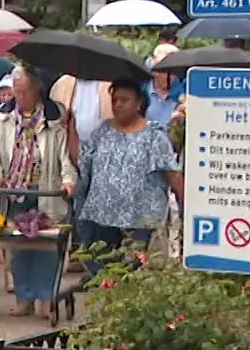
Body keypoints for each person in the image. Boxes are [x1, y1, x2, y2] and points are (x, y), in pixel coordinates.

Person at [0, 66, 76, 317]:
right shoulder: (3, 119)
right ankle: (24, 297)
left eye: (24, 92)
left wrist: (68, 181)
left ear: (37, 90)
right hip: (15, 190)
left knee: (45, 246)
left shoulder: (54, 120)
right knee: (19, 246)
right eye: (16, 92)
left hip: (45, 188)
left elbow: (65, 157)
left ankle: (46, 297)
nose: (20, 97)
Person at [74, 79, 182, 269]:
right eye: (114, 100)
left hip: (139, 221)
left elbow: (172, 173)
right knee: (102, 272)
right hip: (102, 218)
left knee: (132, 275)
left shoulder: (154, 135)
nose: (118, 105)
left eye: (124, 100)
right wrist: (70, 128)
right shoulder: (103, 131)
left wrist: (186, 207)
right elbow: (83, 164)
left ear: (139, 103)